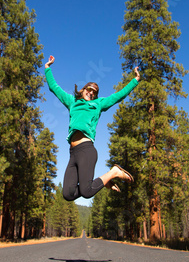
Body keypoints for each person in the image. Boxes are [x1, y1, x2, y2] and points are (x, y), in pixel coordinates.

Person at [45, 55, 140, 201]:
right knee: (68, 194)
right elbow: (54, 88)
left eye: (95, 92)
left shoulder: (98, 104)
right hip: (73, 153)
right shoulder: (72, 102)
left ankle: (114, 172)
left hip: (86, 150)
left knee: (87, 191)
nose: (91, 92)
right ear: (83, 90)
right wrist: (47, 68)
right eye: (89, 89)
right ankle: (103, 183)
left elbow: (118, 96)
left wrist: (135, 81)